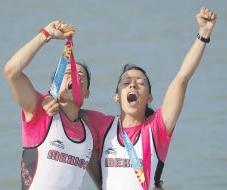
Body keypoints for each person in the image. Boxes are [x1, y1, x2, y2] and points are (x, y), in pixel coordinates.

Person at [43, 7, 217, 190]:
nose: (133, 85)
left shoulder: (157, 128)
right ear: (116, 97)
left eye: (140, 83)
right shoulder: (102, 125)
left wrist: (203, 33)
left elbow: (182, 78)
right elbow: (70, 109)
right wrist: (50, 100)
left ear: (149, 97)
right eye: (126, 83)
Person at [3, 20, 101, 190]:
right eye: (68, 73)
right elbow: (11, 72)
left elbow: (103, 183)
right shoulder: (39, 110)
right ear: (56, 82)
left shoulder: (90, 131)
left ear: (87, 93)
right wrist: (45, 35)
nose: (74, 78)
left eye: (81, 76)